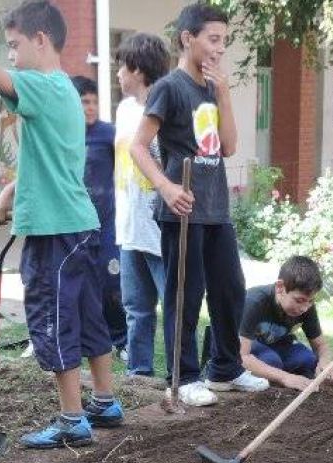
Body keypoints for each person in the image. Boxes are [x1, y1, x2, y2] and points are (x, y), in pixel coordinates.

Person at [0, 0, 122, 449]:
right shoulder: (64, 93)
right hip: (76, 225)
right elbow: (53, 161)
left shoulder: (43, 86)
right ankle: (105, 400)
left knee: (52, 316)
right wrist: (8, 191)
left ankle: (73, 420)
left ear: (41, 40)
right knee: (85, 312)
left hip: (54, 230)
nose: (10, 56)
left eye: (14, 46)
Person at [130, 2, 268, 407]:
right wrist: (166, 187)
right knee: (185, 294)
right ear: (187, 38)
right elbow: (139, 146)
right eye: (213, 39)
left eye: (224, 40)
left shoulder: (212, 87)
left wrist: (224, 92)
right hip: (184, 211)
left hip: (216, 207)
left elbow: (228, 147)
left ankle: (225, 368)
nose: (219, 48)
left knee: (230, 289)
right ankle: (184, 375)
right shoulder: (169, 87)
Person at [113, 33, 171, 377]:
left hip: (160, 229)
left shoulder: (167, 108)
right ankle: (139, 375)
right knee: (136, 308)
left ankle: (182, 376)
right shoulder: (124, 110)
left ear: (137, 68)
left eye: (122, 66)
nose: (119, 73)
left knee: (175, 309)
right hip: (130, 228)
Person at [71, 75, 129, 362]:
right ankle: (86, 337)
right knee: (81, 283)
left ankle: (121, 339)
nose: (90, 107)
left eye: (94, 101)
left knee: (111, 282)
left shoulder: (109, 134)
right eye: (84, 102)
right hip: (74, 224)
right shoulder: (65, 135)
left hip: (107, 224)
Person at [239, 256, 333, 391]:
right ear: (280, 287)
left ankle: (279, 374)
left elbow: (321, 345)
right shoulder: (254, 301)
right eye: (299, 300)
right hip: (246, 346)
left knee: (309, 361)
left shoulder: (306, 306)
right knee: (272, 361)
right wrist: (285, 377)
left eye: (310, 301)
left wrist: (325, 362)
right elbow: (241, 357)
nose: (304, 308)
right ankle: (279, 375)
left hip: (279, 345)